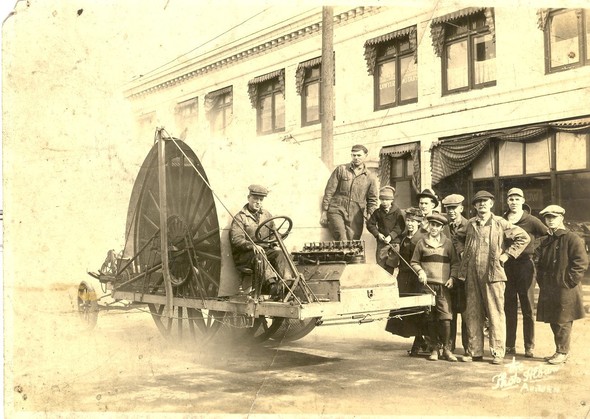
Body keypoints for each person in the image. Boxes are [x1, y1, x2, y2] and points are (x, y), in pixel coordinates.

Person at [458, 190, 530, 365]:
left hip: (493, 274)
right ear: (474, 206)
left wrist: (507, 255)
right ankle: (474, 351)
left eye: (486, 201)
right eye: (478, 202)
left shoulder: (500, 223)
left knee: (495, 312)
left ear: (491, 204)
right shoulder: (470, 223)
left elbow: (523, 237)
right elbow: (456, 237)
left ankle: (498, 352)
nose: (482, 204)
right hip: (472, 274)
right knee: (473, 312)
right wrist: (461, 251)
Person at [536, 205, 589, 365]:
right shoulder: (547, 240)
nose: (550, 220)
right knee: (554, 319)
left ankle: (562, 352)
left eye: (554, 217)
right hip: (550, 287)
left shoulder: (572, 238)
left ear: (561, 218)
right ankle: (560, 350)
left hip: (565, 287)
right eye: (547, 217)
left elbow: (581, 262)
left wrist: (569, 281)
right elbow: (540, 261)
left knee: (563, 320)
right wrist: (542, 280)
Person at [502, 188, 547, 358]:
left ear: (523, 200)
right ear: (507, 201)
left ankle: (529, 346)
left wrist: (534, 250)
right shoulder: (503, 220)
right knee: (509, 306)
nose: (513, 202)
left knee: (527, 307)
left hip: (525, 266)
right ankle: (509, 345)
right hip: (507, 266)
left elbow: (546, 235)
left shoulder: (532, 220)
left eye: (517, 199)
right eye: (511, 199)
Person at [411, 213, 460, 362]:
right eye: (432, 225)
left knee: (445, 317)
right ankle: (434, 349)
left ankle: (446, 349)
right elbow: (414, 262)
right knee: (430, 317)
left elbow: (455, 263)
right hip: (427, 286)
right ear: (429, 225)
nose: (434, 228)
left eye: (437, 226)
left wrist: (452, 278)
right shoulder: (421, 243)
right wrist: (420, 272)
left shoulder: (448, 244)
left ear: (442, 228)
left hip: (443, 286)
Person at [230, 184, 294, 296]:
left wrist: (275, 243)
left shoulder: (266, 215)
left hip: (264, 251)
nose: (258, 202)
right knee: (260, 255)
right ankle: (271, 286)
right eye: (255, 199)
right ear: (248, 198)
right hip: (246, 256)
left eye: (261, 200)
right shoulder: (240, 217)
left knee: (279, 252)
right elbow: (236, 239)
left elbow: (273, 233)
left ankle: (287, 283)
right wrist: (252, 246)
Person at [384, 207, 427, 355]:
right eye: (408, 220)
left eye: (414, 221)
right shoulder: (403, 238)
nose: (410, 224)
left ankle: (420, 341)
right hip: (404, 278)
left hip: (416, 278)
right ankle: (419, 340)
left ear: (419, 223)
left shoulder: (423, 238)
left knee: (418, 310)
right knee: (406, 311)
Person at [320, 144, 378, 240]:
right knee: (341, 237)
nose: (356, 158)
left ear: (365, 155)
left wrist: (370, 215)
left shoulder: (369, 177)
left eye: (359, 155)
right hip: (337, 209)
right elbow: (329, 191)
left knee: (354, 241)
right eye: (353, 155)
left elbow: (372, 199)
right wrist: (325, 211)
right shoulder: (341, 170)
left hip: (356, 214)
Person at [441, 193, 469, 355]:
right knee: (449, 311)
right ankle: (448, 346)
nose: (451, 211)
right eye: (448, 208)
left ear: (461, 208)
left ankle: (468, 347)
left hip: (464, 276)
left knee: (465, 312)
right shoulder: (442, 226)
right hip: (447, 275)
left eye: (454, 208)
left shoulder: (469, 225)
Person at [366, 186, 405, 273]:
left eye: (387, 200)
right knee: (381, 264)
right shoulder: (378, 212)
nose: (385, 202)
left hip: (394, 243)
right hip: (382, 243)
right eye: (382, 199)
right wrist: (377, 234)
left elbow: (400, 226)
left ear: (392, 200)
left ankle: (389, 280)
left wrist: (391, 236)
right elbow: (370, 224)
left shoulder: (397, 212)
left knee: (391, 265)